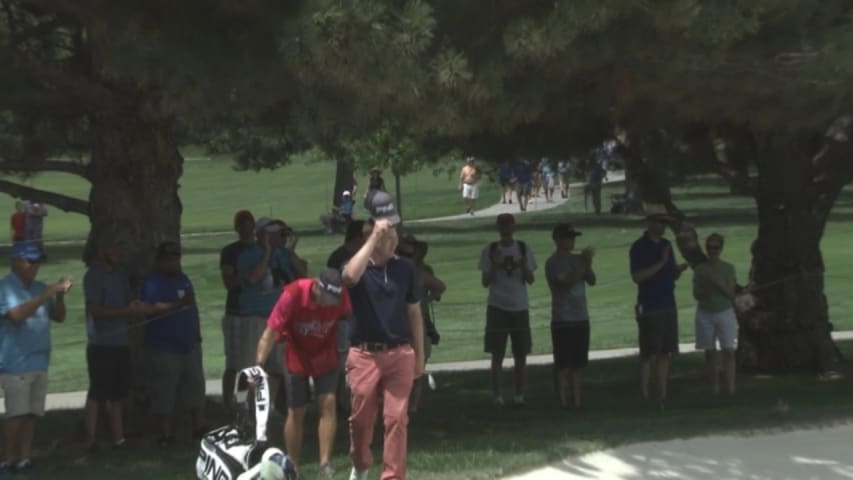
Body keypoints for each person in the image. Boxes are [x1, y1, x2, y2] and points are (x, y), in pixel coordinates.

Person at [342, 191, 425, 480]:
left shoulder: (406, 268)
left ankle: (392, 476)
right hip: (365, 353)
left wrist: (420, 358)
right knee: (362, 419)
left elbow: (414, 313)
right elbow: (348, 277)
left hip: (399, 352)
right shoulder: (361, 267)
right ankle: (361, 463)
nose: (394, 243)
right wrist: (372, 240)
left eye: (394, 238)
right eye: (388, 239)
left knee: (397, 418)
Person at [255, 268, 352, 478]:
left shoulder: (341, 296)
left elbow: (351, 319)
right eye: (325, 297)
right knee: (296, 411)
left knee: (328, 404)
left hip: (325, 353)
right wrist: (259, 365)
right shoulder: (293, 294)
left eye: (332, 299)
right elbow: (270, 331)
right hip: (296, 355)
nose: (328, 303)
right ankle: (293, 464)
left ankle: (325, 462)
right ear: (316, 285)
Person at [0, 242, 71, 474]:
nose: (35, 267)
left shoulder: (40, 287)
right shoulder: (5, 287)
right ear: (17, 261)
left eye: (38, 262)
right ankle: (6, 461)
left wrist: (59, 297)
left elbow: (59, 317)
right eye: (30, 261)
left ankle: (24, 459)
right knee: (16, 415)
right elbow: (16, 316)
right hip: (16, 362)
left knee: (31, 414)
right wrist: (44, 296)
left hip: (40, 361)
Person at [139, 241, 206, 446]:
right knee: (164, 391)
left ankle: (198, 428)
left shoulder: (183, 279)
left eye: (176, 258)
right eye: (168, 259)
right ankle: (165, 434)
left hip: (189, 344)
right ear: (160, 260)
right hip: (164, 347)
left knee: (195, 386)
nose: (173, 263)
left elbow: (191, 305)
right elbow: (151, 308)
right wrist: (179, 304)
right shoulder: (152, 282)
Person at [82, 234, 142, 449]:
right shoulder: (94, 276)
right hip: (101, 343)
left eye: (118, 248)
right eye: (113, 248)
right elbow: (96, 310)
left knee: (117, 393)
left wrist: (137, 306)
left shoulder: (121, 274)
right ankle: (89, 439)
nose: (117, 252)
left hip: (120, 342)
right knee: (97, 392)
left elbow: (128, 302)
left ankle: (119, 438)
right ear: (102, 251)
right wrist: (126, 311)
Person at [629, 205, 688, 403]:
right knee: (647, 352)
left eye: (665, 222)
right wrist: (661, 263)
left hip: (668, 303)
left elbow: (670, 272)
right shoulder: (639, 247)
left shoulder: (667, 245)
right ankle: (644, 393)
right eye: (660, 222)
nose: (663, 226)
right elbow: (638, 277)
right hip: (649, 304)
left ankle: (662, 393)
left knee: (665, 351)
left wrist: (677, 269)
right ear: (650, 223)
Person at [479, 213, 536, 406]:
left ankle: (520, 395)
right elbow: (485, 282)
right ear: (498, 227)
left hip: (519, 306)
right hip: (497, 305)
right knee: (497, 353)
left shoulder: (523, 248)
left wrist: (522, 265)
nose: (505, 229)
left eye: (508, 225)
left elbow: (530, 279)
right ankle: (498, 395)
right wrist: (495, 265)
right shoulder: (490, 250)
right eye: (502, 225)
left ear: (514, 227)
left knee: (521, 353)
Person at [545, 224, 596, 409]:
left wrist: (587, 265)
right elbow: (566, 283)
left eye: (573, 237)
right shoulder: (554, 262)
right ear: (557, 239)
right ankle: (562, 400)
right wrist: (582, 266)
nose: (572, 241)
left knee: (578, 363)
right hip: (563, 318)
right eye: (568, 237)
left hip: (581, 316)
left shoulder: (578, 260)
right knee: (563, 363)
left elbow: (592, 281)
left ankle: (577, 400)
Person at [398, 234, 444, 414]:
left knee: (418, 363)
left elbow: (440, 287)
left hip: (417, 323)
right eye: (403, 253)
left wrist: (425, 300)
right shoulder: (391, 273)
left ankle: (414, 406)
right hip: (397, 324)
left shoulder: (421, 273)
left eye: (410, 254)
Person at [326, 220, 366, 410]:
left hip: (362, 313)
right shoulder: (338, 257)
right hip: (343, 317)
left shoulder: (366, 255)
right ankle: (339, 400)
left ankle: (357, 398)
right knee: (341, 361)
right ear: (358, 237)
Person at [219, 209, 256, 410]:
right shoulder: (230, 251)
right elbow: (229, 281)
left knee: (249, 364)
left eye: (248, 222)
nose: (246, 227)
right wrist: (248, 279)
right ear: (237, 228)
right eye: (241, 223)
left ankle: (242, 401)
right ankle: (227, 402)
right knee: (232, 363)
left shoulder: (260, 249)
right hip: (235, 312)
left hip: (253, 314)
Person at [693, 233, 737, 396]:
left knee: (728, 350)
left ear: (721, 249)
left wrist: (716, 282)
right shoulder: (700, 269)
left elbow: (731, 293)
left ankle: (731, 388)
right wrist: (706, 286)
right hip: (705, 313)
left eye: (716, 247)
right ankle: (715, 388)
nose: (712, 251)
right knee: (710, 352)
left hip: (724, 312)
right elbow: (697, 295)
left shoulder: (728, 268)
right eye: (709, 247)